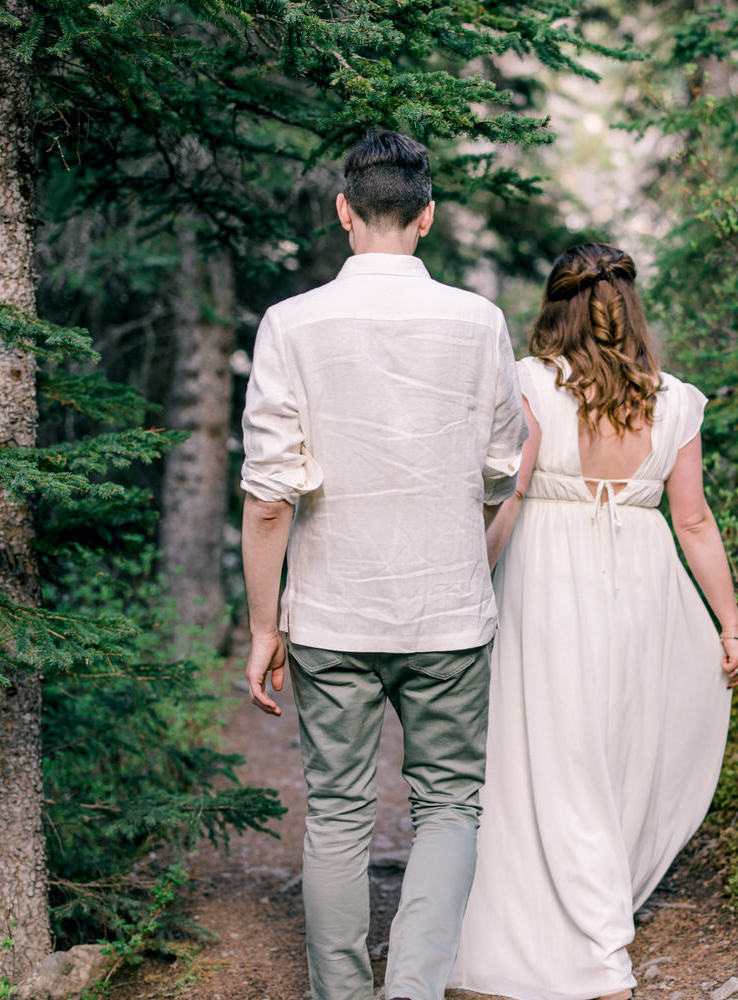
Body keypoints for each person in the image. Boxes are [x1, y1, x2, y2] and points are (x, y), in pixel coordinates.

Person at [238, 130, 527, 1000]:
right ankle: (413, 988)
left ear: (342, 211)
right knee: (448, 807)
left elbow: (265, 500)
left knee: (336, 812)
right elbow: (500, 471)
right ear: (427, 216)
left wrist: (263, 626)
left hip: (331, 611)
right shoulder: (480, 324)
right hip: (447, 608)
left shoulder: (290, 325)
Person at [449, 243, 738, 1000]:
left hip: (548, 580)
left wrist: (467, 590)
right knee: (618, 754)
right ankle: (597, 926)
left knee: (543, 756)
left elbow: (509, 498)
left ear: (557, 309)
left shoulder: (527, 386)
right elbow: (696, 522)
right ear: (631, 311)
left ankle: (561, 948)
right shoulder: (675, 399)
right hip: (643, 588)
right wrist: (730, 626)